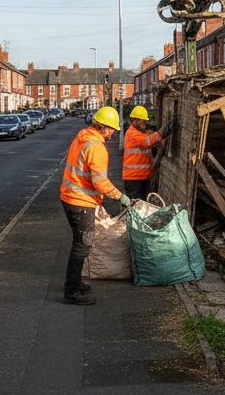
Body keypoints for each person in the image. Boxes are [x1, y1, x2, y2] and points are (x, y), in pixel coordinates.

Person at [59, 106, 128, 305]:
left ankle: (76, 283)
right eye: (112, 129)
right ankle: (71, 291)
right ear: (104, 127)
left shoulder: (82, 136)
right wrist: (120, 197)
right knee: (82, 245)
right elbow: (100, 183)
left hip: (70, 197)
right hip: (81, 202)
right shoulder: (97, 147)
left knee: (80, 243)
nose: (113, 133)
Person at [121, 106, 174, 200]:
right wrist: (162, 133)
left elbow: (146, 144)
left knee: (140, 205)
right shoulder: (133, 134)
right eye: (142, 121)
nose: (144, 123)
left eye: (145, 121)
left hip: (140, 177)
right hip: (134, 178)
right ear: (134, 120)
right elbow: (147, 142)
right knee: (136, 206)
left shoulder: (139, 134)